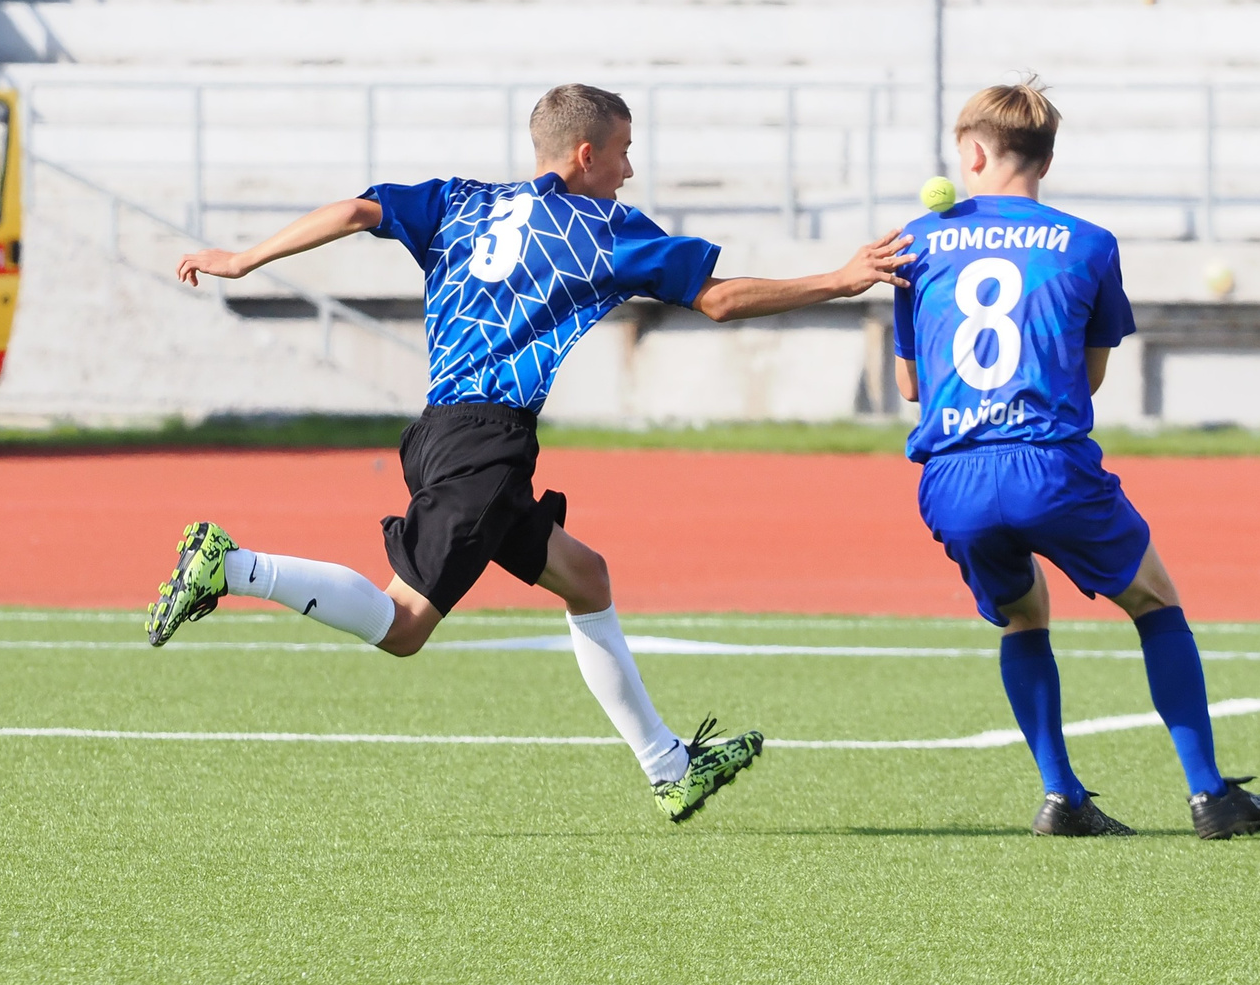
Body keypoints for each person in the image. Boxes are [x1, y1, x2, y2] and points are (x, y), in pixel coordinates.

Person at [148, 83, 910, 823]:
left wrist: (244, 258)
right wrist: (841, 280)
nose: (629, 172)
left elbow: (354, 209)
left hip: (445, 433)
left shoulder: (462, 200)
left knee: (586, 576)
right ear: (585, 154)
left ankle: (669, 766)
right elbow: (717, 297)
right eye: (623, 153)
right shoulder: (599, 228)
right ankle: (231, 564)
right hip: (483, 446)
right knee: (404, 625)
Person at [894, 79, 1260, 840]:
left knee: (1021, 613)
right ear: (1046, 157)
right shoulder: (1088, 242)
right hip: (1049, 466)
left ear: (972, 153)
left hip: (952, 477)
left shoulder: (914, 242)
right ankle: (1209, 794)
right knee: (1154, 600)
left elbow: (912, 383)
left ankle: (1061, 794)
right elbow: (1093, 375)